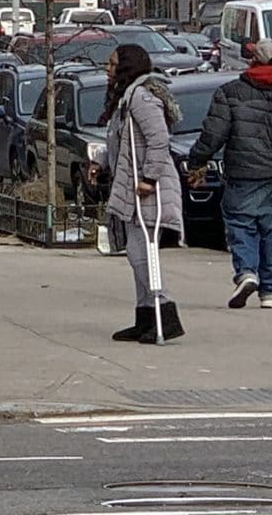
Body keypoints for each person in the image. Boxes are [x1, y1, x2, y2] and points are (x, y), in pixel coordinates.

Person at [186, 37, 272, 310]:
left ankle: (246, 272)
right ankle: (270, 292)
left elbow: (213, 135)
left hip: (240, 177)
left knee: (240, 225)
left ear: (252, 60)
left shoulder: (229, 93)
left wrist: (196, 161)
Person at [102, 43, 185, 343]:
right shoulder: (126, 97)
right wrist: (100, 163)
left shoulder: (142, 96)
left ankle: (165, 311)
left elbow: (158, 139)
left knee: (141, 254)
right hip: (131, 184)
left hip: (149, 188)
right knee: (137, 253)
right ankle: (145, 315)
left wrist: (149, 178)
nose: (107, 70)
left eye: (112, 64)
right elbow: (121, 140)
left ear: (126, 67)